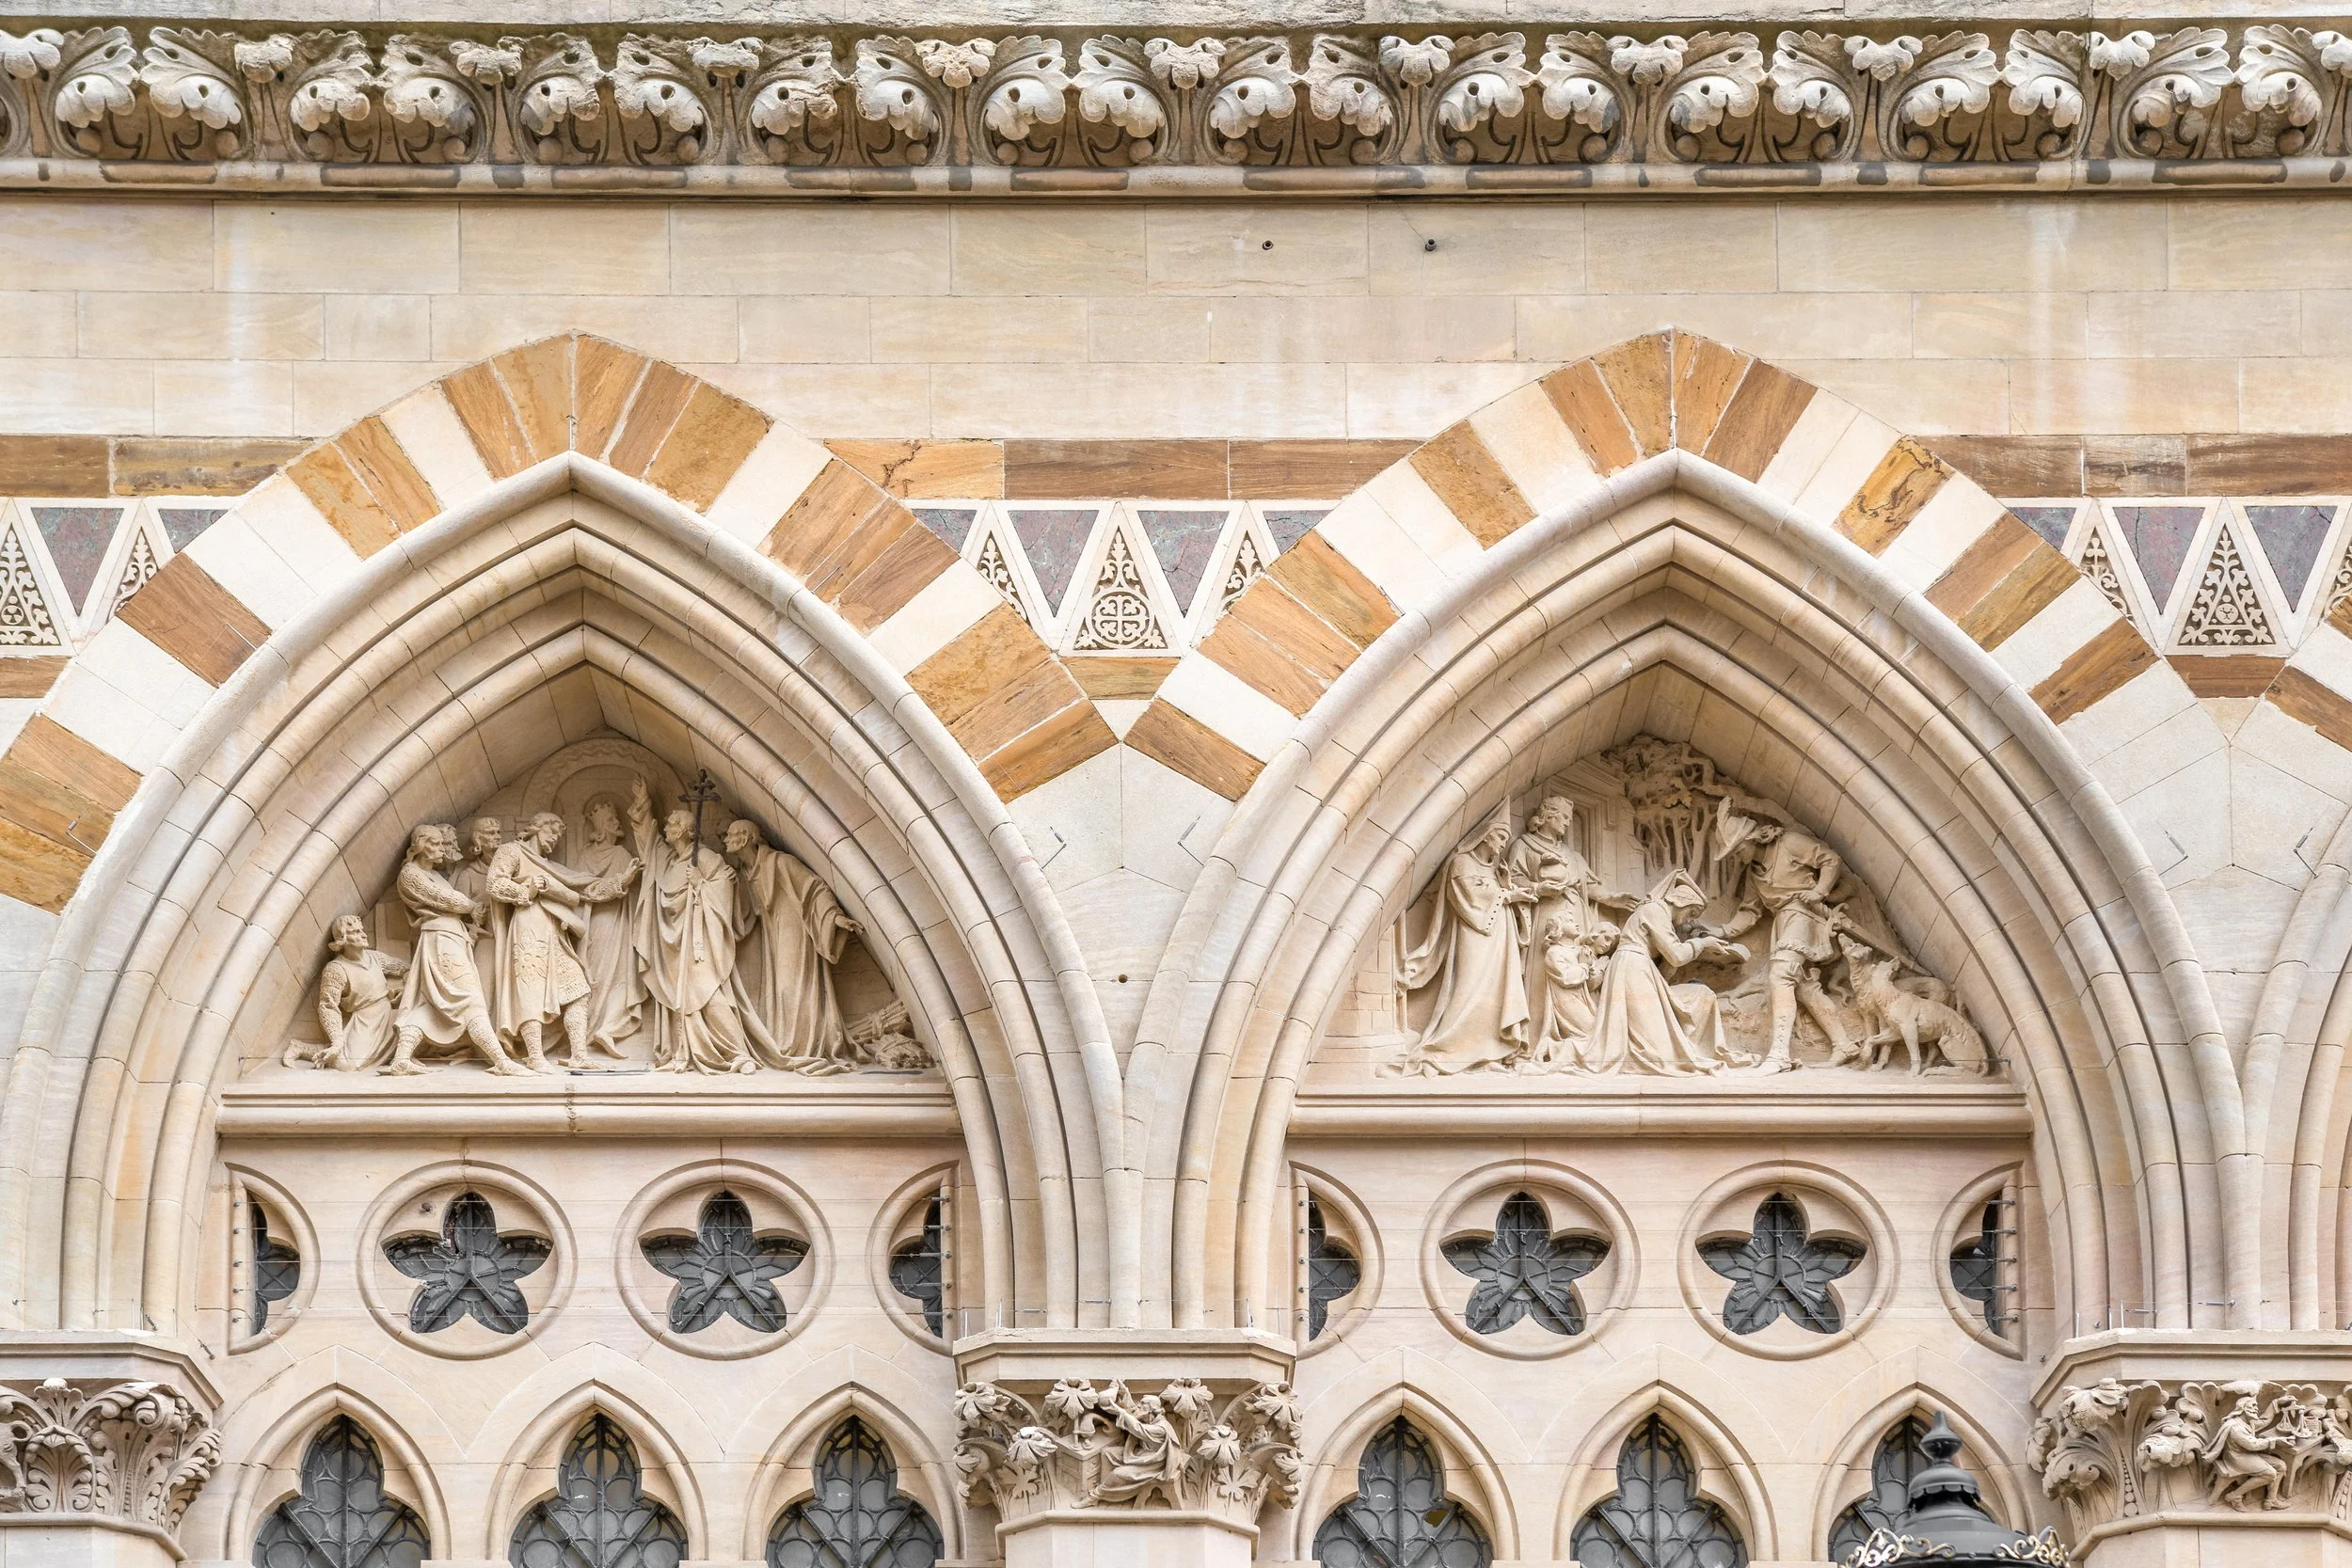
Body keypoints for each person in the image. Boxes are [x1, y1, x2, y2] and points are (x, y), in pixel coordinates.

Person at [628, 779, 773, 1073]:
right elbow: (648, 842)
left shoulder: (705, 858)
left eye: (671, 824)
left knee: (707, 992)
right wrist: (642, 803)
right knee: (679, 998)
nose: (666, 828)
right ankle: (681, 1052)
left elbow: (726, 886)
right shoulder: (668, 861)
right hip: (672, 946)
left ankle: (738, 1054)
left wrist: (702, 885)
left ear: (684, 830)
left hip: (699, 941)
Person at [1708, 796, 1853, 1073]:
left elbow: (1830, 859)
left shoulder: (1789, 843)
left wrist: (1819, 891)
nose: (1737, 858)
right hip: (1783, 924)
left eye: (1737, 850)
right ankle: (1843, 1044)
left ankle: (1779, 1055)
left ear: (1751, 838)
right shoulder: (1754, 873)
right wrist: (1721, 931)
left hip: (1805, 915)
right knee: (1804, 987)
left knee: (1781, 976)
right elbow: (1750, 912)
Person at [382, 823, 528, 1076]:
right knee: (471, 1000)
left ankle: (401, 1059)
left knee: (429, 1005)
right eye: (436, 844)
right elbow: (447, 899)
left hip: (451, 937)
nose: (442, 849)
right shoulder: (410, 874)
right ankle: (500, 1061)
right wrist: (472, 906)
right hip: (441, 940)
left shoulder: (435, 875)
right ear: (421, 846)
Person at [1395, 815, 1531, 1074]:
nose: (1503, 844)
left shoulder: (1493, 869)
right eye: (1500, 837)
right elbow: (1468, 898)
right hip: (1474, 936)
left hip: (1500, 938)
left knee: (1495, 993)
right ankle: (1444, 1052)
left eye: (1505, 839)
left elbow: (1498, 895)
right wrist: (1507, 894)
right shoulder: (1461, 863)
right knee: (1469, 989)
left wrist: (1505, 885)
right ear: (1485, 835)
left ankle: (1489, 1053)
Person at [1586, 869, 1751, 1075]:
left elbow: (1669, 966)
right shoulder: (1655, 910)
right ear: (1681, 902)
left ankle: (1693, 1050)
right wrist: (1702, 944)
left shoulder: (1659, 915)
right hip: (1633, 969)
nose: (1688, 920)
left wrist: (1696, 947)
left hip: (1637, 968)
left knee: (1694, 1002)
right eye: (1691, 913)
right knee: (1655, 1048)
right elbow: (1677, 956)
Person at [727, 818, 861, 1066]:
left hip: (794, 930)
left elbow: (814, 887)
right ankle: (789, 1041)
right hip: (773, 934)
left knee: (790, 987)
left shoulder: (781, 862)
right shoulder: (745, 873)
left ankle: (804, 1046)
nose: (726, 840)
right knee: (779, 990)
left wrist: (835, 917)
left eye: (731, 834)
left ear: (745, 838)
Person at [487, 812, 595, 1071]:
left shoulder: (551, 867)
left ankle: (579, 1055)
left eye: (559, 834)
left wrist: (621, 881)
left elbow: (583, 888)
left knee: (579, 990)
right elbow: (494, 883)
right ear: (535, 828)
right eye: (552, 831)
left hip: (555, 931)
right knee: (530, 989)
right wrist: (526, 889)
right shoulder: (511, 851)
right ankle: (535, 1056)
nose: (555, 838)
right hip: (529, 923)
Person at [1505, 795, 1605, 1010]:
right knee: (1546, 963)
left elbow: (1589, 886)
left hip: (1576, 913)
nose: (1568, 823)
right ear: (1549, 815)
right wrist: (1538, 888)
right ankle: (1542, 1017)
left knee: (1581, 959)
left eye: (1569, 819)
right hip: (1546, 912)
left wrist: (1612, 898)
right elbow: (1512, 879)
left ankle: (1581, 1011)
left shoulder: (1572, 855)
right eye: (1565, 817)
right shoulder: (1524, 845)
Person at [570, 799, 644, 1057]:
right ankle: (603, 1028)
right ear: (601, 827)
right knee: (616, 976)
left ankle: (599, 1029)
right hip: (609, 922)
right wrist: (623, 881)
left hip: (595, 922)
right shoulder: (620, 855)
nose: (617, 823)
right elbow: (582, 889)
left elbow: (581, 888)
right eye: (611, 820)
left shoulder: (587, 856)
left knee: (604, 976)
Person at [304, 914, 406, 1069]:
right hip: (365, 1021)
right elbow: (328, 1006)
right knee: (348, 1065)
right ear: (343, 938)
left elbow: (406, 968)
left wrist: (405, 988)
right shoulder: (336, 969)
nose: (364, 935)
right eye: (356, 932)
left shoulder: (375, 958)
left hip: (389, 1013)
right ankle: (303, 1048)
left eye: (362, 930)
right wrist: (337, 1042)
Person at [1525, 912, 1605, 1069]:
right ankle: (1551, 1048)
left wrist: (1598, 969)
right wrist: (1584, 965)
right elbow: (1566, 978)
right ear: (1558, 928)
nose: (1576, 923)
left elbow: (1590, 985)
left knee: (1599, 1034)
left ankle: (1553, 1046)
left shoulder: (1580, 950)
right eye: (1570, 921)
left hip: (1583, 1000)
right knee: (1592, 1036)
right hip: (1566, 1001)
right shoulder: (1554, 952)